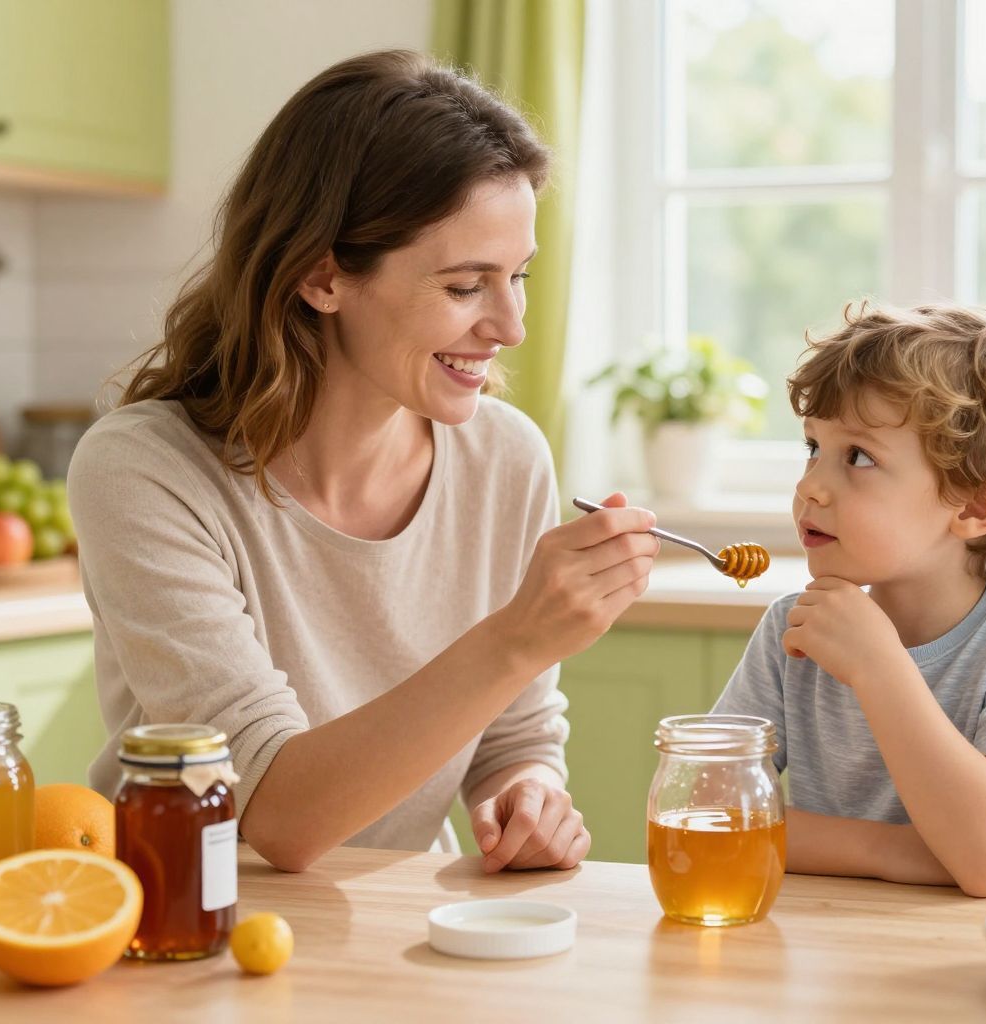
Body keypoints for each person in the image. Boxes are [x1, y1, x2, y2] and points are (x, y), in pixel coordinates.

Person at [68, 50, 659, 874]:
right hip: (190, 908)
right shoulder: (146, 472)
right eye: (465, 286)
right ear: (323, 277)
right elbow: (275, 814)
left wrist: (526, 797)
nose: (511, 326)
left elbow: (510, 737)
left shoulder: (506, 457)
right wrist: (517, 639)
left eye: (518, 276)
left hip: (392, 911)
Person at [712, 303, 986, 898]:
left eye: (859, 457)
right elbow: (709, 816)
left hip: (977, 951)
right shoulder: (793, 628)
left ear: (975, 506)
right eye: (812, 447)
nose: (810, 485)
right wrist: (904, 851)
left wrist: (878, 667)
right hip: (827, 944)